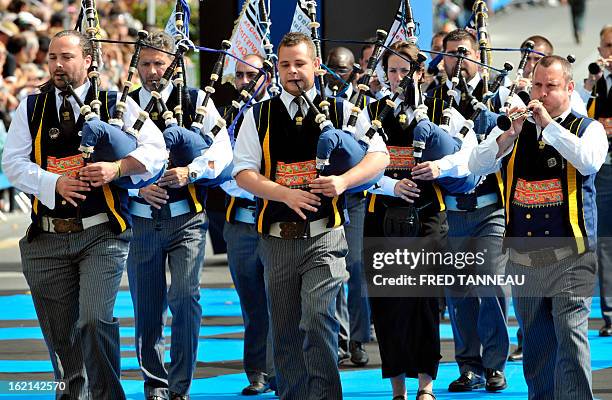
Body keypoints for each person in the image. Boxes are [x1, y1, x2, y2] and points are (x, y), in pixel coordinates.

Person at [1, 30, 166, 399]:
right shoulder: (30, 106)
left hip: (100, 234)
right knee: (61, 336)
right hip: (46, 237)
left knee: (93, 319)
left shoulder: (115, 104)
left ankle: (108, 394)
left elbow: (156, 149)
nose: (58, 65)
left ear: (89, 61)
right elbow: (12, 163)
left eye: (67, 57)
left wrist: (118, 169)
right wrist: (53, 183)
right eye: (52, 58)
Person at [233, 32, 389, 399]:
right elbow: (243, 172)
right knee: (285, 331)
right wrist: (284, 194)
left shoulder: (343, 109)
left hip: (326, 235)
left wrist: (343, 181)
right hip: (276, 238)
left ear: (316, 67)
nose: (292, 72)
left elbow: (379, 156)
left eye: (300, 64)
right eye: (285, 65)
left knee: (319, 319)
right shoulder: (259, 115)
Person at [469, 55, 607, 399]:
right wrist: (507, 135)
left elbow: (588, 161)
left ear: (569, 88)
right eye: (537, 86)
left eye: (551, 87)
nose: (541, 95)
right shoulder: (516, 127)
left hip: (572, 256)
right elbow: (476, 164)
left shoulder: (586, 128)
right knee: (536, 348)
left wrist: (549, 126)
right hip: (523, 258)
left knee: (572, 342)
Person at [126, 30, 232, 400]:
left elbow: (224, 148)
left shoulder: (197, 101)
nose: (153, 71)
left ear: (174, 64)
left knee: (186, 297)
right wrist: (136, 187)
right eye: (145, 64)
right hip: (141, 220)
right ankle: (154, 383)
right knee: (147, 304)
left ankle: (180, 384)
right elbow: (104, 160)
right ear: (136, 66)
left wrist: (192, 171)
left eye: (159, 63)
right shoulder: (123, 105)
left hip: (187, 219)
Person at [429, 28, 511, 393]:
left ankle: (495, 365)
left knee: (490, 283)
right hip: (453, 211)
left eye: (464, 52)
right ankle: (469, 366)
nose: (457, 60)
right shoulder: (432, 98)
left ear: (478, 55)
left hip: (490, 208)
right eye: (450, 54)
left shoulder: (500, 96)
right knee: (458, 292)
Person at [220, 53, 275, 395]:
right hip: (240, 222)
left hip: (276, 219)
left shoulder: (277, 111)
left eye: (250, 75)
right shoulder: (228, 116)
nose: (244, 81)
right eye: (239, 75)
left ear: (266, 78)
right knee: (252, 302)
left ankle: (281, 369)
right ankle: (257, 371)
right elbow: (222, 173)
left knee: (280, 300)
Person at [324, 45, 372, 367]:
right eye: (330, 69)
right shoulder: (319, 102)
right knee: (331, 272)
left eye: (341, 71)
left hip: (354, 197)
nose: (335, 76)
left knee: (355, 267)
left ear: (353, 72)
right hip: (325, 197)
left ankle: (358, 337)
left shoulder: (366, 104)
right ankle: (339, 340)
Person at [584, 25, 612, 337]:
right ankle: (610, 314)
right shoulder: (596, 83)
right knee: (605, 242)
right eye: (606, 46)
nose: (610, 53)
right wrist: (593, 82)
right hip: (604, 168)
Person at [515, 35, 588, 116]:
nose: (531, 65)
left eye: (537, 59)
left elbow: (580, 123)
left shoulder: (569, 95)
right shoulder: (510, 90)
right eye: (527, 59)